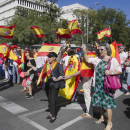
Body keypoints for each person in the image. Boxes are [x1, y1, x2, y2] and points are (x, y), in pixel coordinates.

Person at [82, 43, 122, 130]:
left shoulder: (113, 60)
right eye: (99, 49)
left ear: (107, 50)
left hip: (107, 86)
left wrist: (111, 73)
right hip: (98, 85)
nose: (99, 51)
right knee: (99, 103)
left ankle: (109, 123)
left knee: (108, 105)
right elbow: (88, 60)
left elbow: (119, 70)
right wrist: (85, 52)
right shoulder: (98, 59)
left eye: (101, 49)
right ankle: (102, 117)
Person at [65, 44, 96, 118]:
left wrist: (70, 75)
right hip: (93, 78)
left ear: (87, 48)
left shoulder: (87, 56)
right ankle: (95, 110)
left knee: (88, 95)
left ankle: (89, 113)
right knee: (92, 95)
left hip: (88, 78)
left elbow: (82, 70)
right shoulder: (93, 55)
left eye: (83, 47)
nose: (81, 48)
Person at [45, 52, 65, 123]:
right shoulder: (47, 65)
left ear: (54, 58)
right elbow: (40, 70)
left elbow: (62, 75)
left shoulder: (58, 65)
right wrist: (32, 66)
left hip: (55, 85)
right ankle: (51, 113)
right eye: (48, 57)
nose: (49, 58)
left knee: (53, 100)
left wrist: (56, 79)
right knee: (50, 100)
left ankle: (53, 115)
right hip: (48, 85)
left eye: (50, 57)